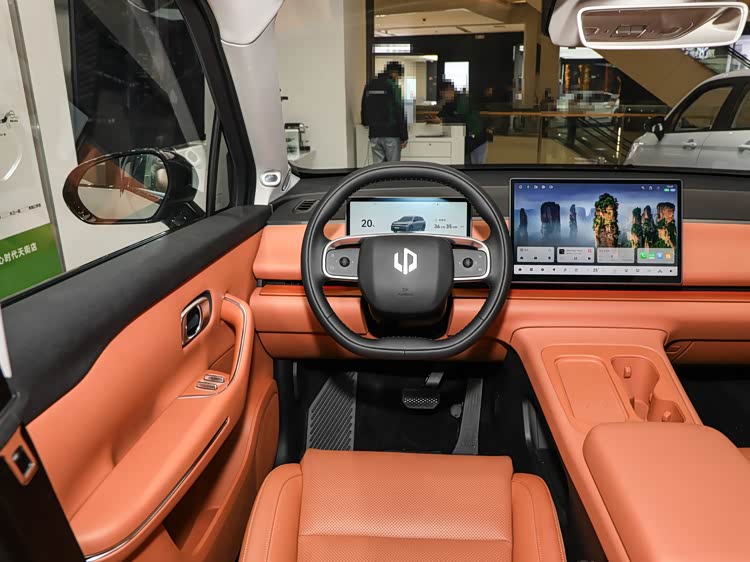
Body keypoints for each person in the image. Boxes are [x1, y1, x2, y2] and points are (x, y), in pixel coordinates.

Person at [430, 81, 490, 165]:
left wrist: (442, 120)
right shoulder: (449, 104)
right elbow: (443, 115)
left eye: (444, 93)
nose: (443, 96)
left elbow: (461, 119)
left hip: (477, 138)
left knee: (477, 167)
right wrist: (434, 119)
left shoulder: (462, 100)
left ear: (451, 90)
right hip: (466, 141)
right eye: (441, 94)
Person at [361, 61, 408, 163]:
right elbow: (399, 110)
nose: (398, 79)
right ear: (395, 73)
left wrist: (366, 123)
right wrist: (404, 136)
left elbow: (364, 105)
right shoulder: (392, 86)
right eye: (399, 76)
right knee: (392, 167)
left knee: (378, 168)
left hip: (374, 133)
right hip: (391, 133)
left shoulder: (370, 84)